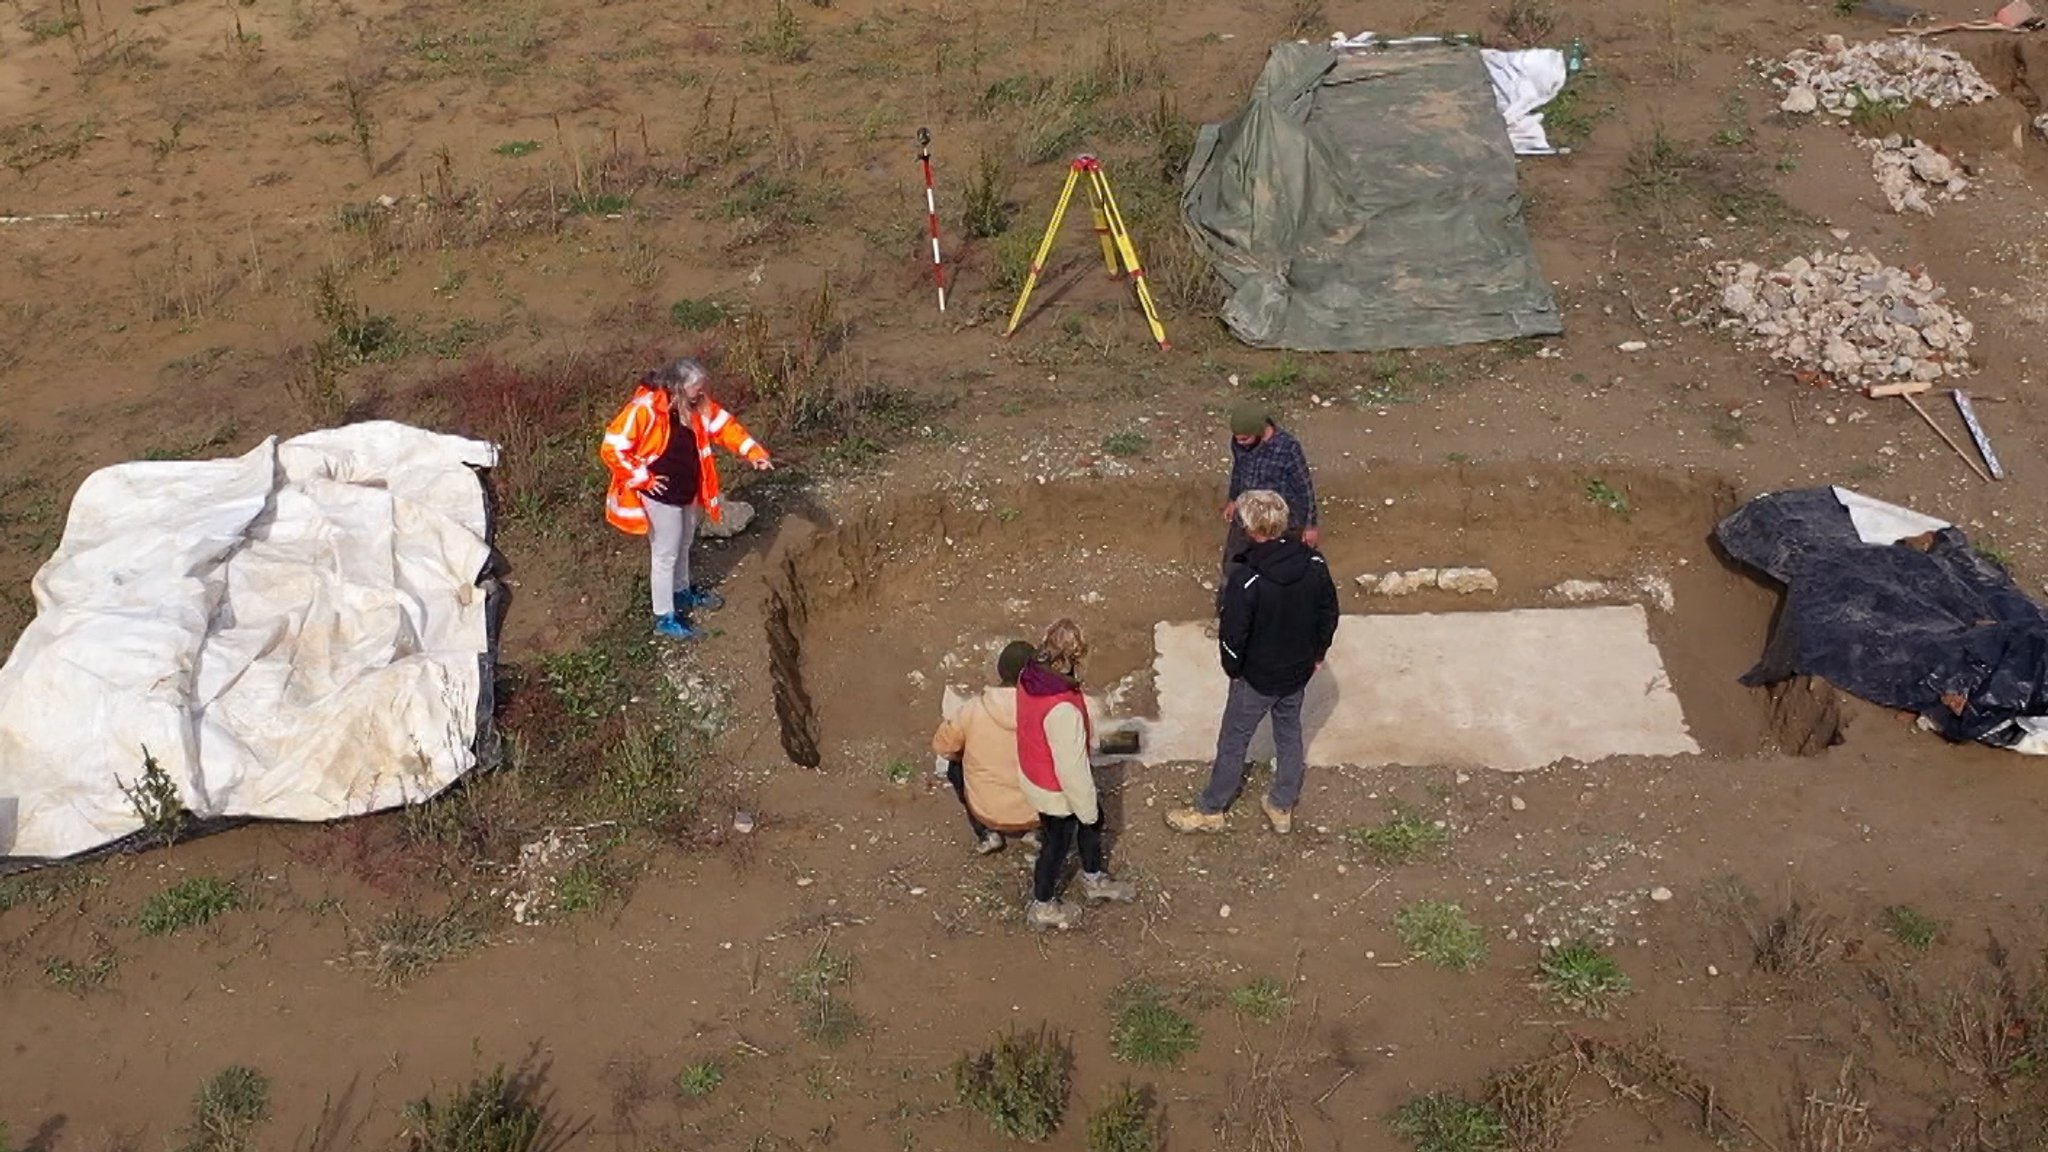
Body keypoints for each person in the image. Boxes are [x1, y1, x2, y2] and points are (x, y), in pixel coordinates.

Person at [1170, 489, 1340, 836]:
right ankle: (1281, 803)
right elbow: (1329, 614)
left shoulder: (1247, 580)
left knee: (1234, 740)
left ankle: (1211, 808)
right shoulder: (1314, 564)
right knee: (1290, 732)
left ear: (1250, 529)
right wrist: (1317, 654)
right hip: (1297, 672)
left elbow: (1233, 637)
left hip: (1257, 677)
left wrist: (1234, 669)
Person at [600, 358, 772, 639]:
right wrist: (643, 477)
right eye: (696, 388)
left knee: (684, 543)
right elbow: (612, 448)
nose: (702, 392)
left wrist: (754, 453)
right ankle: (664, 616)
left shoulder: (695, 405)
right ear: (678, 387)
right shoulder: (644, 411)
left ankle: (682, 592)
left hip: (687, 488)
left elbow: (724, 426)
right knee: (665, 553)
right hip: (661, 494)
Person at [1015, 618, 1136, 930]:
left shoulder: (1029, 675)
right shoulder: (1062, 708)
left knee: (1062, 834)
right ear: (1075, 657)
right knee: (1063, 842)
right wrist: (1087, 808)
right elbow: (1071, 769)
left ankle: (1092, 875)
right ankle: (1044, 904)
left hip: (1033, 770)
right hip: (1056, 788)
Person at [931, 640, 1042, 855]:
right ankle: (1036, 833)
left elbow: (942, 746)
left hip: (986, 811)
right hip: (1037, 812)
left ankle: (986, 833)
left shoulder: (973, 709)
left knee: (955, 764)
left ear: (999, 670)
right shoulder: (1046, 712)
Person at [1218, 402, 1319, 612]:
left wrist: (1310, 525)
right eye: (1236, 438)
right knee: (1233, 564)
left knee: (1276, 568)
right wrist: (1233, 499)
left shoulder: (1288, 449)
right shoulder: (1241, 443)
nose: (1239, 442)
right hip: (1246, 515)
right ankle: (1228, 608)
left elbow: (1304, 488)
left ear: (1259, 431)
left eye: (1244, 438)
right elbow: (1239, 470)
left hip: (1277, 522)